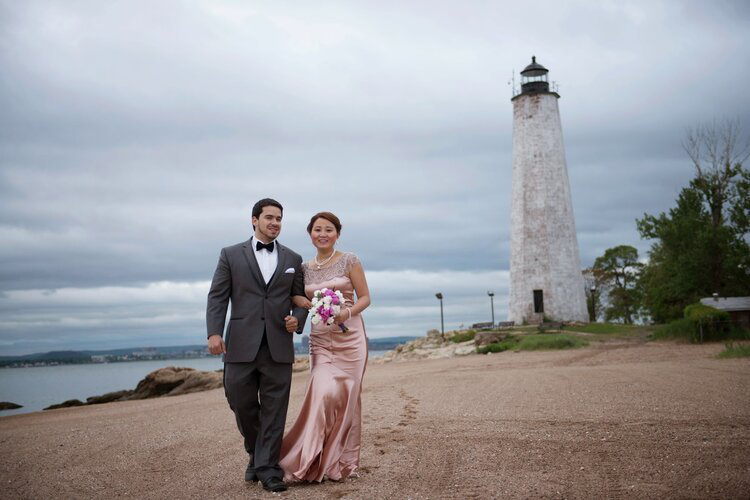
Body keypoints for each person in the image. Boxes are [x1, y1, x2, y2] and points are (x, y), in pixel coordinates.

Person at [206, 198, 308, 493]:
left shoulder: (293, 259)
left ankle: (267, 468)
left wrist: (297, 320)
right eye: (269, 218)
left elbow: (299, 298)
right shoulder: (229, 254)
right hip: (239, 343)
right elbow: (217, 296)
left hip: (278, 344)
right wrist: (214, 333)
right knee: (240, 401)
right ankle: (255, 451)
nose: (275, 223)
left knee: (275, 409)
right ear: (254, 220)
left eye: (279, 219)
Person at [279, 211, 371, 482]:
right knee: (321, 394)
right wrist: (301, 302)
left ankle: (344, 464)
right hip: (319, 338)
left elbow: (365, 298)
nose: (323, 234)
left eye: (329, 229)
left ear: (337, 234)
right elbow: (296, 294)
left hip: (350, 337)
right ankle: (309, 458)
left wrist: (347, 313)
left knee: (349, 399)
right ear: (310, 235)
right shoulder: (305, 268)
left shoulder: (350, 260)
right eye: (317, 229)